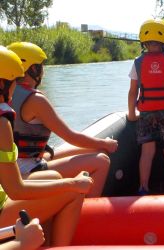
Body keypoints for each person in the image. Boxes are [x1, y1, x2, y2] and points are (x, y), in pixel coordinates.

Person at [0, 45, 93, 246]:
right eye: (14, 81)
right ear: (2, 84)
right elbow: (16, 190)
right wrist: (73, 183)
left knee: (52, 177)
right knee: (72, 191)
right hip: (3, 211)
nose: (16, 87)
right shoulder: (1, 124)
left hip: (4, 195)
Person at [7, 42, 118, 197]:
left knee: (93, 149)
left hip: (14, 167)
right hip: (27, 170)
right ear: (33, 69)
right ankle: (85, 213)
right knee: (101, 160)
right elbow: (71, 137)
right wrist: (106, 143)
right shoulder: (35, 100)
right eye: (41, 66)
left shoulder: (5, 96)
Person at [127, 18, 164, 194]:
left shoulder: (137, 62)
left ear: (143, 40)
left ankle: (143, 187)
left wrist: (131, 114)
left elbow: (132, 92)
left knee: (147, 152)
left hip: (146, 113)